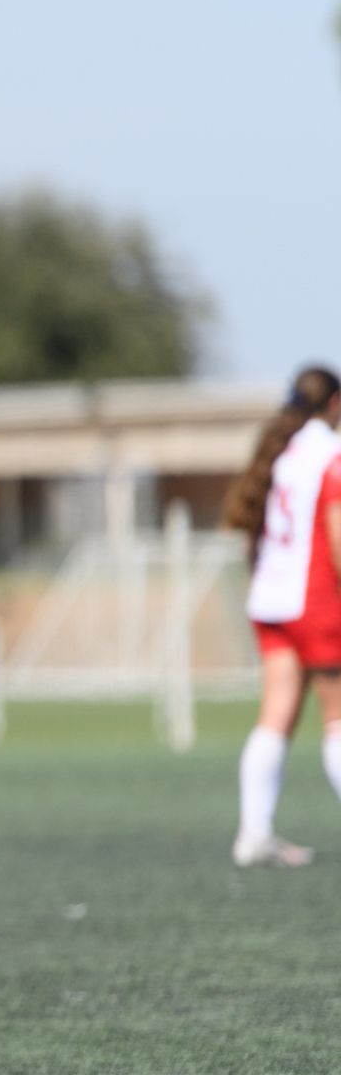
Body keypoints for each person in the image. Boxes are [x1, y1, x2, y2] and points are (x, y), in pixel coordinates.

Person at [222, 364, 341, 868]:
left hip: (270, 600)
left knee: (276, 714)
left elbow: (254, 532)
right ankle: (254, 835)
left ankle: (253, 834)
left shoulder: (279, 452)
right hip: (314, 599)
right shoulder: (330, 456)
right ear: (334, 403)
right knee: (337, 715)